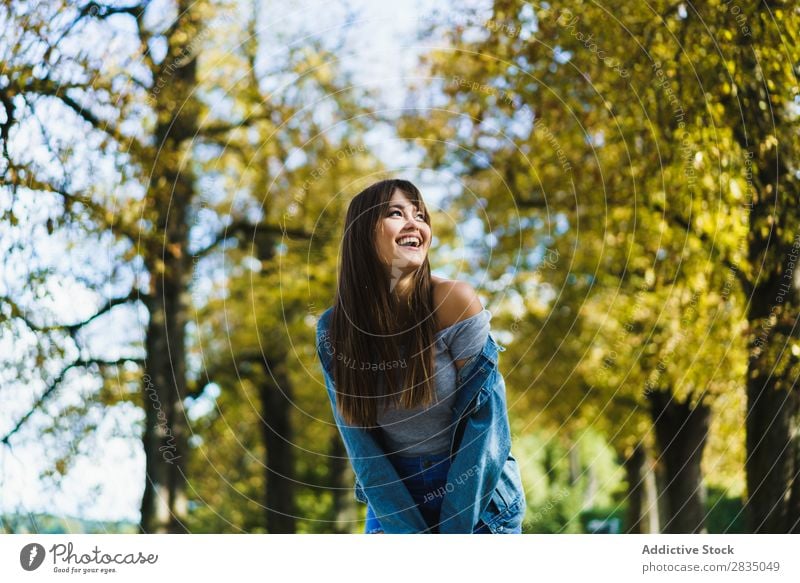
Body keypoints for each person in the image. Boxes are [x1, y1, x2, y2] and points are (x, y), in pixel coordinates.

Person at [315, 178, 525, 534]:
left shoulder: (454, 302)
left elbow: (487, 429)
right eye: (396, 213)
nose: (415, 222)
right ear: (363, 234)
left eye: (420, 214)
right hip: (394, 494)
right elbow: (362, 446)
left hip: (478, 492)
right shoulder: (335, 331)